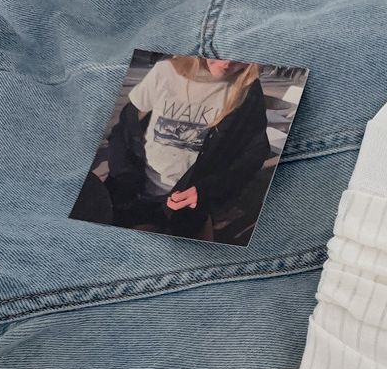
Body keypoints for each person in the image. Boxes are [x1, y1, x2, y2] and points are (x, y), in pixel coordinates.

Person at [102, 57, 270, 240]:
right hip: (132, 194)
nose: (227, 63)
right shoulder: (165, 71)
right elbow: (124, 129)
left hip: (189, 205)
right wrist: (124, 173)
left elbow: (254, 153)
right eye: (220, 53)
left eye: (241, 56)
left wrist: (208, 189)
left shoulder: (248, 88)